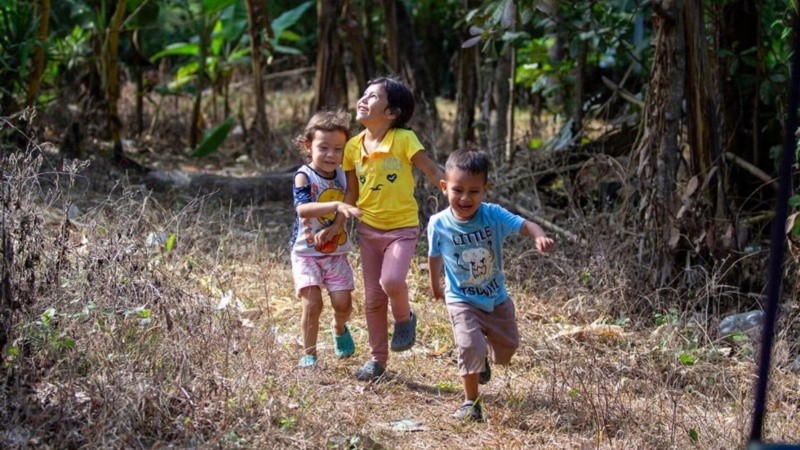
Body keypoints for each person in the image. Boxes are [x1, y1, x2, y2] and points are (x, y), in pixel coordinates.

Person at [427, 147, 554, 422]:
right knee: (469, 345)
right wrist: (435, 286)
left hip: (496, 298)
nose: (465, 198)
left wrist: (539, 236)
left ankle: (484, 358)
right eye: (458, 190)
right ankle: (470, 403)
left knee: (507, 350)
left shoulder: (493, 215)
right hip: (461, 298)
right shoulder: (438, 223)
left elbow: (526, 225)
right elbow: (434, 256)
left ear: (486, 189)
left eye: (474, 191)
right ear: (444, 187)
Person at [337, 76, 444, 381]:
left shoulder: (404, 139)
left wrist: (455, 191)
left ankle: (404, 318)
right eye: (364, 94)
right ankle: (377, 360)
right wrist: (339, 223)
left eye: (372, 96)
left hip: (402, 229)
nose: (363, 99)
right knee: (373, 299)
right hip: (368, 230)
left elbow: (431, 169)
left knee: (392, 281)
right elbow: (351, 191)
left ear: (391, 113)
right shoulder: (352, 146)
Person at [289, 109, 362, 368]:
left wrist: (337, 225)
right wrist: (336, 207)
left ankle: (339, 327)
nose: (331, 154)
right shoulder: (304, 176)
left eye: (338, 149)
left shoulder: (343, 175)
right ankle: (309, 354)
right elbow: (302, 209)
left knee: (343, 304)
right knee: (313, 305)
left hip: (335, 251)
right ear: (308, 146)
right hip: (306, 252)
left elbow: (352, 195)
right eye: (323, 148)